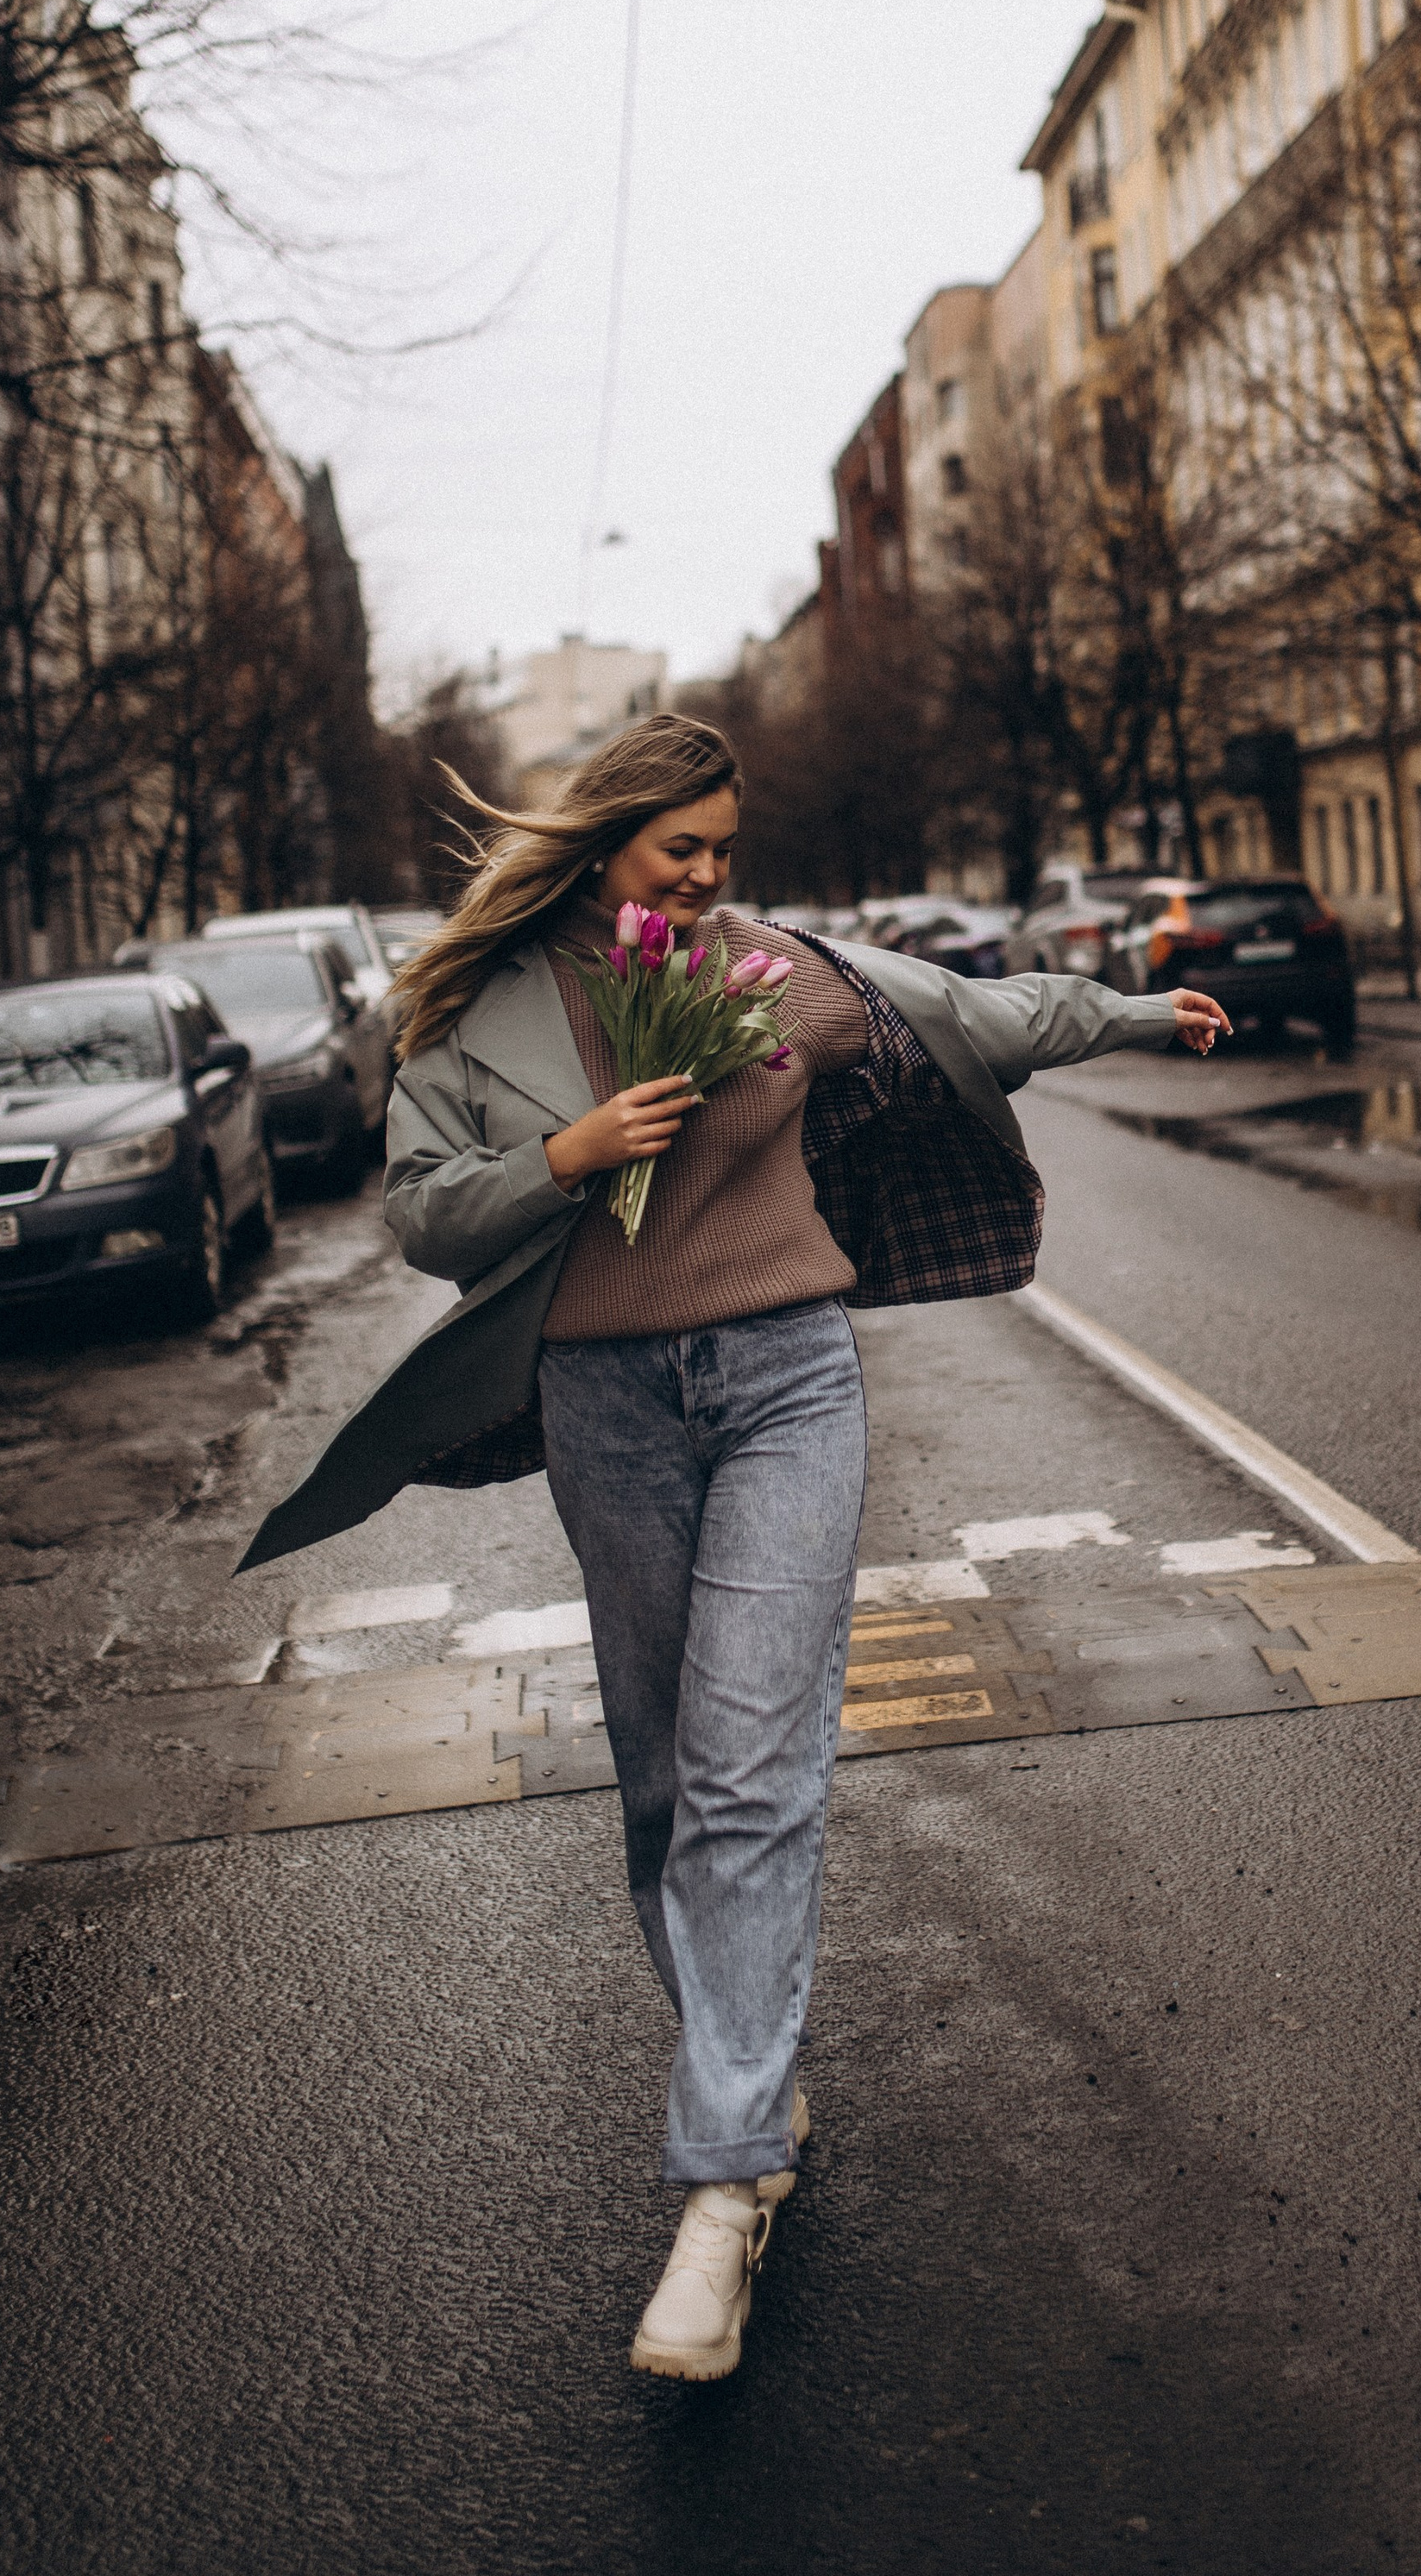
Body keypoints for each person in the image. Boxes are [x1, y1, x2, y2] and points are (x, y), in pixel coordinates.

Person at [237, 713, 1227, 2382]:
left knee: (759, 1766)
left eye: (723, 850)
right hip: (604, 1404)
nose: (708, 878)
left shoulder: (774, 971)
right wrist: (566, 1156)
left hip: (786, 1381)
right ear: (608, 838)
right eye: (679, 849)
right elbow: (422, 1210)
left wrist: (1134, 1007)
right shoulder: (487, 1007)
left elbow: (974, 1013)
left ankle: (721, 2190)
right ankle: (747, 2067)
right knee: (662, 1779)